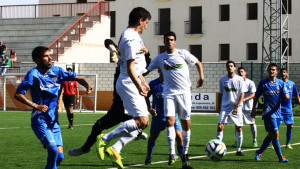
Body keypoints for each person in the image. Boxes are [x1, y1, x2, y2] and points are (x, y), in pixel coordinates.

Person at [67, 39, 150, 158]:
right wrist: (112, 49)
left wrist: (143, 81)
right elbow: (107, 41)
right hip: (117, 108)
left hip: (128, 107)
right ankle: (85, 148)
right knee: (98, 126)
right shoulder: (123, 63)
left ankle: (135, 132)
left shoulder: (134, 69)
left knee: (138, 123)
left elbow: (138, 72)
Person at [14, 46, 92, 169]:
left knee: (60, 157)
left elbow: (76, 78)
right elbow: (18, 94)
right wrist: (35, 105)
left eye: (50, 55)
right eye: (46, 56)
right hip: (40, 121)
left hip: (53, 122)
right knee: (53, 151)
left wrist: (86, 84)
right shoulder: (33, 74)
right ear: (37, 60)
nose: (50, 58)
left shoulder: (57, 71)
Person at [95, 7, 151, 169]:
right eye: (146, 23)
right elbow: (130, 67)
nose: (146, 26)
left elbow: (136, 66)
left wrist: (142, 80)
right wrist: (139, 84)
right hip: (128, 83)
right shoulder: (130, 39)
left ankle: (115, 149)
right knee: (142, 120)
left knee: (141, 123)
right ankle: (105, 139)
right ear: (140, 20)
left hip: (131, 80)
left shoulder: (133, 36)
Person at [147, 31, 204, 169]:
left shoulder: (183, 53)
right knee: (169, 121)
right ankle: (172, 152)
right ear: (164, 42)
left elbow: (198, 62)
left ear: (175, 41)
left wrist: (201, 77)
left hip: (184, 93)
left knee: (186, 124)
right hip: (169, 93)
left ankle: (185, 153)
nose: (169, 42)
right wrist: (135, 75)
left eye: (172, 39)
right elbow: (146, 69)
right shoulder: (160, 58)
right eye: (167, 40)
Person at [144, 69, 184, 166]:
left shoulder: (173, 83)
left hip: (172, 116)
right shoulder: (153, 83)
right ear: (159, 70)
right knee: (153, 137)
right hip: (158, 117)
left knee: (179, 136)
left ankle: (183, 160)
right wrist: (149, 108)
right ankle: (149, 156)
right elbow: (145, 96)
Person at [251, 63, 289, 163]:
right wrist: (253, 109)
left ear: (277, 72)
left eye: (273, 70)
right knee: (276, 134)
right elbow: (256, 97)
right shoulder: (263, 83)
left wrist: (286, 96)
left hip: (278, 113)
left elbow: (286, 94)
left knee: (271, 135)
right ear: (268, 71)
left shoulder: (281, 83)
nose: (271, 71)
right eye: (270, 70)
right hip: (268, 113)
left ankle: (259, 151)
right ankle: (280, 157)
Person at [216, 61, 246, 156]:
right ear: (226, 68)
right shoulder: (222, 80)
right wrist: (219, 106)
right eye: (228, 66)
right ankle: (217, 148)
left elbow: (242, 93)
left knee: (239, 128)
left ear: (234, 68)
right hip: (225, 107)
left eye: (231, 66)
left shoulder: (240, 79)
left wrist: (237, 106)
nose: (230, 67)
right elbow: (220, 93)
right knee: (220, 127)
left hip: (236, 106)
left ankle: (239, 150)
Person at [232, 67, 258, 148]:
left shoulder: (250, 82)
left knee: (251, 123)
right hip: (239, 107)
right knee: (237, 124)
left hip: (248, 107)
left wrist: (244, 99)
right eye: (239, 72)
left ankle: (254, 140)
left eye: (242, 72)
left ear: (245, 72)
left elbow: (253, 94)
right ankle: (237, 141)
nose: (240, 73)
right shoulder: (236, 82)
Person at [280, 68, 300, 149]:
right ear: (280, 74)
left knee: (290, 126)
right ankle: (273, 143)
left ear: (287, 74)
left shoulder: (292, 84)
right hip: (279, 108)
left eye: (284, 72)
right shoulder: (278, 83)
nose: (283, 74)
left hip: (288, 109)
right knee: (275, 126)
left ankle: (288, 143)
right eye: (282, 73)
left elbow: (296, 94)